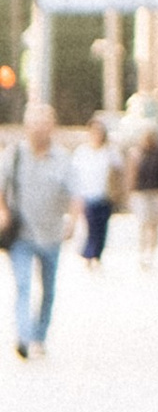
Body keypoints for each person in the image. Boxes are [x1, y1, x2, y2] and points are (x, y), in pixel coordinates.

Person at [6, 103, 79, 358]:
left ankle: (39, 335)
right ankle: (23, 337)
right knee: (24, 285)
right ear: (27, 127)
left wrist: (73, 220)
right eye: (35, 124)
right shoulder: (14, 155)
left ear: (53, 127)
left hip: (51, 233)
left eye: (45, 124)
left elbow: (75, 194)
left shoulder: (62, 159)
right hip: (22, 235)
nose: (39, 130)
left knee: (48, 289)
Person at [71, 113, 116, 268]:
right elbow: (74, 174)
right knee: (90, 226)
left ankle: (97, 254)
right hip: (87, 195)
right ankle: (89, 254)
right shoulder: (82, 152)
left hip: (104, 195)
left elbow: (118, 170)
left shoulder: (109, 152)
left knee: (101, 227)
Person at [130, 120, 158, 267]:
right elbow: (132, 172)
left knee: (154, 224)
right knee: (143, 222)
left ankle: (151, 252)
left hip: (157, 192)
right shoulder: (137, 153)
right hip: (141, 192)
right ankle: (142, 252)